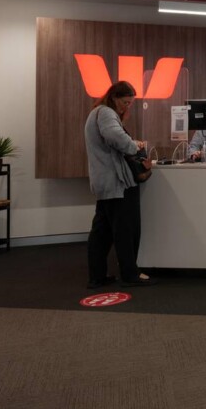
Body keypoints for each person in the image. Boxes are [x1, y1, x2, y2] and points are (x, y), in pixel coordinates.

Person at [84, 80, 156, 288]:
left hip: (104, 182)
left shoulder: (96, 113)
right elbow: (116, 137)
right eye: (125, 102)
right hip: (117, 182)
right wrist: (135, 146)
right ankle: (130, 274)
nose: (127, 107)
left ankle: (97, 276)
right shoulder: (106, 113)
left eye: (130, 103)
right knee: (126, 231)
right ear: (114, 98)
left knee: (102, 233)